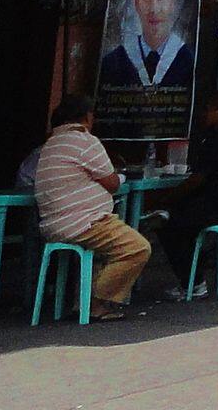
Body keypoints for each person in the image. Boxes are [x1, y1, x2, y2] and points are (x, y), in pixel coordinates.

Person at [34, 96, 147, 320]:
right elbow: (113, 183)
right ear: (86, 117)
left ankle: (83, 302)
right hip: (85, 222)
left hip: (52, 224)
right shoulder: (84, 141)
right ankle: (96, 302)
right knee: (138, 248)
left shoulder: (51, 144)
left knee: (103, 252)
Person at [151, 92, 218, 294]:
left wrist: (167, 198)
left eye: (207, 111)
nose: (203, 116)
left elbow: (197, 179)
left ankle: (192, 283)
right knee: (185, 219)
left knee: (168, 224)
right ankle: (195, 271)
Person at [98, 0, 193, 96]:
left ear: (172, 0)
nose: (154, 9)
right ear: (136, 1)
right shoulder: (113, 62)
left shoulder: (190, 61)